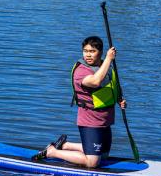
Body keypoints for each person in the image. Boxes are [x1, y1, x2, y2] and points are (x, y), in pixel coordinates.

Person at [32, 36, 126, 168]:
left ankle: (65, 145)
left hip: (105, 120)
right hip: (90, 121)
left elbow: (112, 86)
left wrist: (119, 99)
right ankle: (52, 152)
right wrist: (109, 59)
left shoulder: (106, 66)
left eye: (92, 51)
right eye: (85, 51)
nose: (88, 54)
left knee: (103, 156)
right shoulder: (80, 71)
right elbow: (95, 81)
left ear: (100, 52)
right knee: (92, 162)